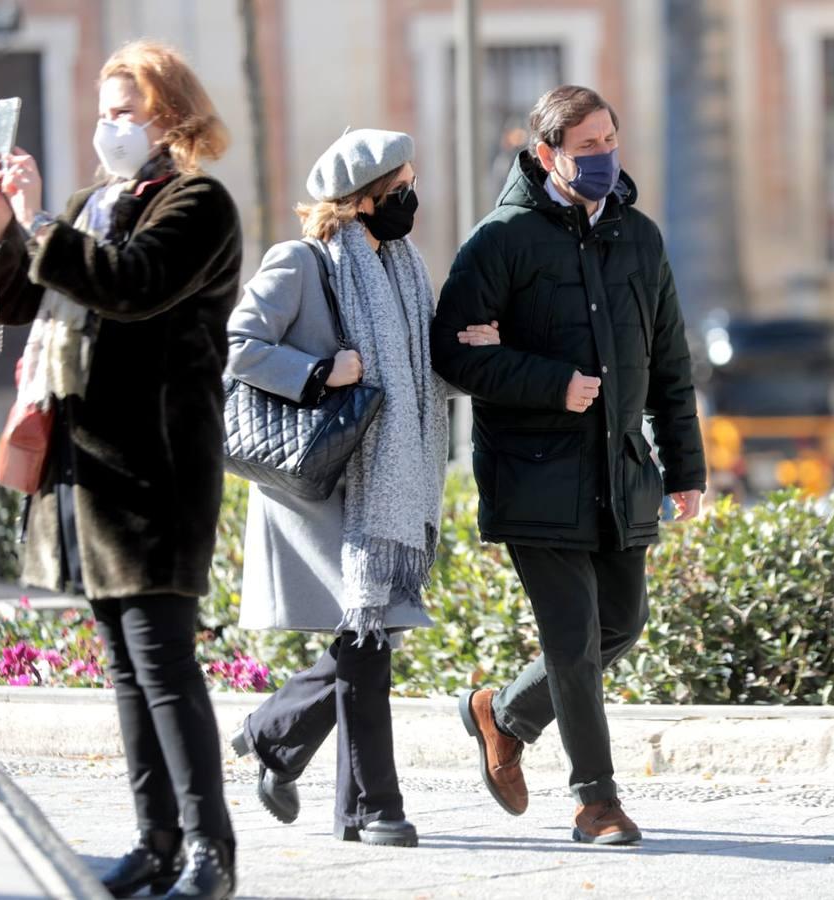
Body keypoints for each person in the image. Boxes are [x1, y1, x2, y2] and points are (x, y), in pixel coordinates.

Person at [0, 40, 243, 900]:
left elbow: (132, 284)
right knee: (124, 668)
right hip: (86, 473)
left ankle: (210, 851)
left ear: (171, 117)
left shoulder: (199, 203)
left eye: (125, 112)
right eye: (103, 111)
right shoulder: (93, 205)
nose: (108, 126)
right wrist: (3, 224)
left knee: (163, 664)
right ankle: (156, 841)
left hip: (157, 469)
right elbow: (14, 302)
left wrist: (44, 225)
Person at [430, 85, 706, 846]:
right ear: (547, 154)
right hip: (535, 473)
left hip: (620, 473)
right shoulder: (500, 241)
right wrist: (553, 384)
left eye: (610, 140)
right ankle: (597, 803)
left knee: (622, 622)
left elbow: (669, 366)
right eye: (587, 147)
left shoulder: (640, 240)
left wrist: (685, 470)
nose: (603, 157)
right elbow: (451, 352)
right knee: (574, 640)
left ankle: (503, 713)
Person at [224, 129, 500, 848]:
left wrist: (461, 355)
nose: (413, 199)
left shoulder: (405, 267)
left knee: (368, 634)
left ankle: (274, 738)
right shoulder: (304, 263)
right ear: (362, 199)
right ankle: (372, 807)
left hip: (384, 481)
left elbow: (413, 373)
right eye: (401, 188)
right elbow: (239, 344)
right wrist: (320, 373)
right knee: (366, 639)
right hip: (321, 478)